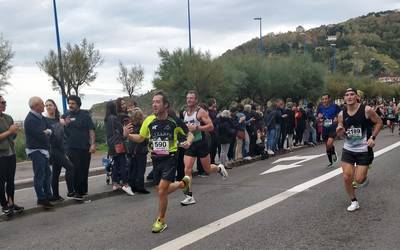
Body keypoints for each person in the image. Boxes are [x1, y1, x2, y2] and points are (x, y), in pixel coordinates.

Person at [123, 91, 192, 233]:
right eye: (153, 102)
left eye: (158, 102)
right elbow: (141, 138)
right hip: (156, 160)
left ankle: (161, 220)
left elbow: (189, 134)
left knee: (161, 190)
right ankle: (183, 184)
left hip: (170, 158)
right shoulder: (148, 121)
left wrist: (188, 142)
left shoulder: (174, 121)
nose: (154, 104)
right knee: (161, 191)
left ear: (165, 105)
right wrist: (128, 135)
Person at [336, 88, 382, 212]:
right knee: (346, 177)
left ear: (356, 97)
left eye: (352, 94)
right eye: (347, 95)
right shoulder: (341, 114)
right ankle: (354, 201)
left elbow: (379, 122)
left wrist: (372, 137)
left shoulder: (366, 110)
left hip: (364, 149)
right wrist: (339, 131)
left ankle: (363, 176)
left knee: (359, 179)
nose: (349, 97)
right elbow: (341, 132)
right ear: (344, 98)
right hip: (348, 149)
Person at [181, 90, 228, 206]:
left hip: (202, 142)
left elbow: (211, 126)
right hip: (191, 144)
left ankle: (219, 168)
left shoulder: (200, 112)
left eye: (191, 98)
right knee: (187, 169)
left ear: (196, 100)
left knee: (207, 169)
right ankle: (189, 196)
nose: (189, 100)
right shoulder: (184, 113)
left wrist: (197, 127)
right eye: (187, 98)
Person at [62, 95, 96, 201]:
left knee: (84, 169)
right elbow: (59, 124)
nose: (70, 105)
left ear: (78, 104)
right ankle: (76, 192)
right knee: (75, 169)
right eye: (69, 103)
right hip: (71, 147)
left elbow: (91, 130)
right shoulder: (66, 115)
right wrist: (64, 124)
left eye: (73, 103)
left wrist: (93, 144)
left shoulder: (85, 115)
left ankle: (82, 190)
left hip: (85, 147)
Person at [24, 97, 54, 209]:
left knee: (47, 173)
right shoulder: (30, 119)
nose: (44, 106)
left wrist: (47, 132)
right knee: (40, 175)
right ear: (36, 106)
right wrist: (46, 132)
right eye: (42, 104)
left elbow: (49, 128)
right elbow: (40, 135)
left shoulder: (41, 117)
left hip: (43, 149)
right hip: (35, 150)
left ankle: (48, 196)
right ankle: (41, 199)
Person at [44, 99, 74, 202]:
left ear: (55, 107)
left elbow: (63, 135)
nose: (48, 107)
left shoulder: (58, 119)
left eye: (50, 105)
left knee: (56, 173)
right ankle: (71, 192)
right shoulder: (45, 120)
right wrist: (60, 124)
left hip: (61, 148)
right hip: (53, 149)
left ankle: (55, 196)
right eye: (46, 105)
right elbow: (50, 134)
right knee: (70, 167)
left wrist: (65, 124)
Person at [0, 95, 24, 215]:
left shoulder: (8, 117)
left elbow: (12, 136)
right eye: (2, 102)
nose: (5, 104)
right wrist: (9, 131)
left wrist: (14, 132)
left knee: (10, 180)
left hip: (11, 153)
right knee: (1, 181)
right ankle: (4, 205)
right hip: (1, 155)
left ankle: (11, 203)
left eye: (5, 102)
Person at [104, 101, 134, 195]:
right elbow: (121, 131)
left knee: (115, 164)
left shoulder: (107, 119)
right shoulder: (114, 118)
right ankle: (125, 184)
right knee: (123, 164)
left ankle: (115, 183)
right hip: (118, 143)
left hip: (111, 144)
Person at [127, 108, 150, 194]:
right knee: (141, 170)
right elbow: (144, 140)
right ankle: (140, 187)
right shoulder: (143, 127)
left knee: (133, 169)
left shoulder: (130, 127)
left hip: (131, 150)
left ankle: (132, 186)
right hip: (141, 151)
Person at [317, 94, 341, 167]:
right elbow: (318, 115)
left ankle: (333, 153)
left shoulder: (335, 106)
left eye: (326, 99)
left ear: (329, 99)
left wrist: (337, 117)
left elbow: (341, 113)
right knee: (327, 146)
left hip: (333, 127)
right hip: (325, 127)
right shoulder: (320, 107)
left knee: (329, 143)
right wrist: (319, 117)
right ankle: (331, 160)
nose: (324, 100)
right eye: (323, 99)